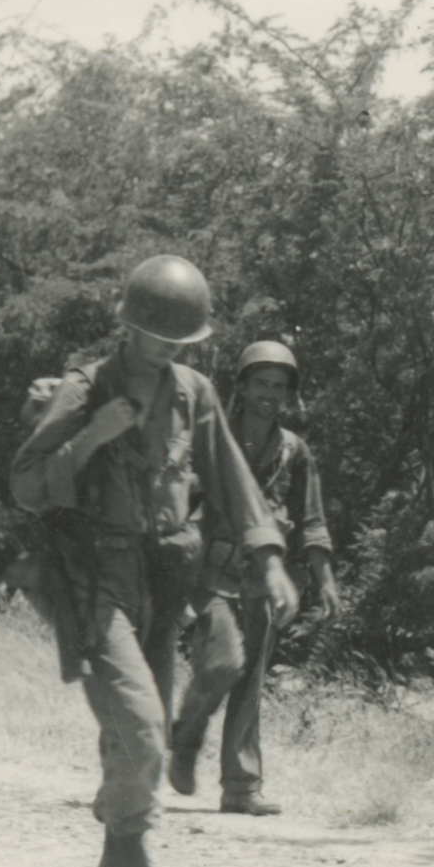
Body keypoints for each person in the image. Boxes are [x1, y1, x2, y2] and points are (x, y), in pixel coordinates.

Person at [8, 257, 293, 867]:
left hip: (167, 582)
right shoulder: (86, 388)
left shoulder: (195, 392)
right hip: (96, 581)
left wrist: (271, 558)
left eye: (181, 341)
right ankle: (131, 857)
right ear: (127, 327)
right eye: (156, 336)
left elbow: (231, 481)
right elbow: (27, 485)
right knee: (141, 730)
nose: (167, 349)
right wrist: (92, 437)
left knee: (139, 735)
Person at [166, 337, 334, 816]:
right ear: (240, 385)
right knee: (221, 664)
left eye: (279, 386)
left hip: (262, 580)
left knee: (250, 684)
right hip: (210, 576)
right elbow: (177, 499)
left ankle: (241, 788)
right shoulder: (212, 439)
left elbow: (312, 520)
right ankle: (182, 738)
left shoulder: (294, 451)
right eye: (260, 382)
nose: (269, 393)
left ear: (289, 394)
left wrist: (325, 579)